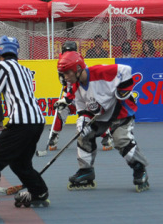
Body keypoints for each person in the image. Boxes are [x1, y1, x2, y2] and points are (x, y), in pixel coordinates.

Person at [0, 36, 49, 222]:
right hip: (37, 121)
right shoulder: (25, 69)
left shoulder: (2, 67)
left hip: (20, 122)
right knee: (20, 164)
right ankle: (39, 191)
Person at [56, 51, 150, 192]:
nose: (66, 77)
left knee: (121, 140)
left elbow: (126, 70)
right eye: (63, 74)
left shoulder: (100, 72)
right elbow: (83, 111)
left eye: (67, 72)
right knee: (83, 134)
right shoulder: (75, 88)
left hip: (120, 111)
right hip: (99, 116)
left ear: (78, 68)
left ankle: (139, 168)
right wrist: (83, 122)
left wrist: (123, 90)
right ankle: (86, 171)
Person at [49, 41, 113, 152]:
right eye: (66, 51)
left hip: (83, 94)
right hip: (70, 92)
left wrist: (68, 97)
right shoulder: (61, 62)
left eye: (71, 51)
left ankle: (106, 135)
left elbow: (77, 82)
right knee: (61, 111)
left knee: (91, 115)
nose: (68, 54)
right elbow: (64, 80)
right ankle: (54, 136)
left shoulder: (79, 63)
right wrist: (63, 81)